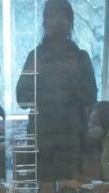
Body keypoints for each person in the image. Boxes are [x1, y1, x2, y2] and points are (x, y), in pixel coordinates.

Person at [16, 0, 97, 180]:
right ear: (44, 22)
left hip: (71, 139)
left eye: (61, 17)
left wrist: (76, 76)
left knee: (71, 191)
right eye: (51, 16)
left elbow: (91, 98)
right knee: (40, 192)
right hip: (41, 139)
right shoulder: (35, 57)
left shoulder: (80, 58)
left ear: (70, 22)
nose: (56, 22)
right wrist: (32, 74)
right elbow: (21, 100)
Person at [84, 100, 109, 179]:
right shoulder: (106, 129)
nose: (91, 113)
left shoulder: (99, 132)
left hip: (97, 174)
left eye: (94, 111)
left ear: (100, 115)